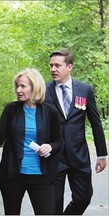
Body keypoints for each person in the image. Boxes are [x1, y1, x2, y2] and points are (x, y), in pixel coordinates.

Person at [0, 68, 62, 215]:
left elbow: (60, 142)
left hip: (41, 175)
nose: (18, 90)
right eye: (17, 86)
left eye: (23, 86)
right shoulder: (11, 109)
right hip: (13, 174)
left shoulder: (50, 112)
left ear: (35, 87)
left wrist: (50, 146)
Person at [45, 50, 108, 215]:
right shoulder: (43, 90)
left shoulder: (84, 90)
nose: (53, 69)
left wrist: (102, 154)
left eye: (58, 65)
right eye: (51, 65)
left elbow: (95, 123)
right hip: (54, 156)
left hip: (78, 154)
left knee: (83, 197)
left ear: (69, 67)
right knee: (53, 205)